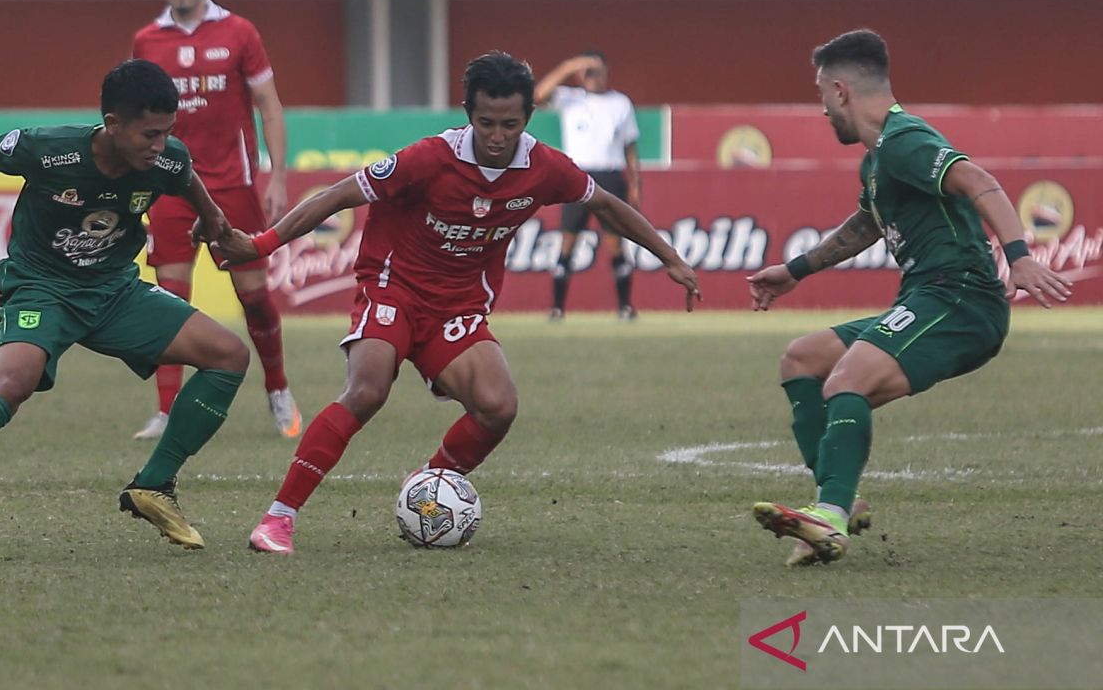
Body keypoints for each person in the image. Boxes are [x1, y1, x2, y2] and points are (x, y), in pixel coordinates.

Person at [213, 51, 701, 555]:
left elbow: (606, 204)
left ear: (527, 119)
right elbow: (338, 196)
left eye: (509, 124)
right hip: (394, 287)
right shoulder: (430, 158)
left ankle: (430, 486)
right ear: (468, 113)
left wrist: (669, 257)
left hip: (459, 307)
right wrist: (262, 244)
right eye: (485, 122)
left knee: (498, 407)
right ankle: (278, 519)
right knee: (368, 389)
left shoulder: (544, 168)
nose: (496, 135)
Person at [745, 29, 1072, 566]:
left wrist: (1020, 255)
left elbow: (979, 181)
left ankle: (828, 516)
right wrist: (796, 270)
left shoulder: (904, 140)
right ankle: (839, 501)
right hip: (927, 296)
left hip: (960, 298)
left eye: (823, 95)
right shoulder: (878, 159)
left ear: (842, 90)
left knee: (847, 379)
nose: (823, 109)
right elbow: (867, 225)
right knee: (802, 359)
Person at [0, 60, 250, 561]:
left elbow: (186, 174)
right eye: (149, 134)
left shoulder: (166, 159)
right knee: (9, 386)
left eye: (167, 133)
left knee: (229, 355)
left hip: (115, 292)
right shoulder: (51, 149)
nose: (159, 145)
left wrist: (212, 218)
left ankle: (153, 485)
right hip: (41, 289)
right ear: (113, 124)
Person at [130, 0, 300, 441]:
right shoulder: (147, 41)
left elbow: (269, 105)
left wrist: (279, 177)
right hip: (169, 182)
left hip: (233, 184)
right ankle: (165, 412)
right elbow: (133, 121)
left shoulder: (239, 32)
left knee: (255, 296)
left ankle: (277, 388)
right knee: (168, 296)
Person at [533, 51, 641, 321]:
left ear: (607, 72)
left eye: (597, 71)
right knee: (567, 242)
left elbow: (630, 146)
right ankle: (557, 307)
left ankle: (625, 306)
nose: (593, 77)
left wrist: (635, 184)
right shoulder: (570, 99)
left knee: (615, 243)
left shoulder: (620, 103)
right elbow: (538, 95)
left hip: (610, 174)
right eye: (588, 72)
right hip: (578, 175)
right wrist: (569, 66)